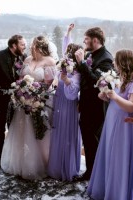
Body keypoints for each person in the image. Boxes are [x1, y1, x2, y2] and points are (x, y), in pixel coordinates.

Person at [87, 49, 133, 200]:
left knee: (119, 158)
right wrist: (105, 94)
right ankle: (106, 188)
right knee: (108, 154)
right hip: (112, 120)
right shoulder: (118, 78)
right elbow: (112, 98)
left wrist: (114, 96)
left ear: (124, 62)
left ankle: (118, 193)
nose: (113, 63)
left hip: (124, 125)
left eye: (116, 61)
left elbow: (132, 106)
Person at [0, 35, 56, 180]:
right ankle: (21, 163)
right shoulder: (27, 59)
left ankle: (41, 163)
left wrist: (35, 95)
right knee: (22, 132)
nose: (30, 47)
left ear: (38, 47)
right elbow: (20, 79)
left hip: (40, 101)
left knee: (39, 132)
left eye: (32, 45)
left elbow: (48, 84)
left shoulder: (49, 61)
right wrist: (21, 92)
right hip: (23, 102)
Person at [74, 27, 114, 181]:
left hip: (96, 108)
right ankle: (90, 172)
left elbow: (97, 83)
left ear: (95, 40)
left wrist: (82, 63)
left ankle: (97, 176)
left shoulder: (106, 59)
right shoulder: (90, 54)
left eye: (86, 39)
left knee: (94, 143)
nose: (84, 41)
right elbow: (84, 79)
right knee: (88, 141)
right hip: (86, 105)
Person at [0, 34, 27, 168]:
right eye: (22, 44)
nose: (24, 46)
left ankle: (14, 155)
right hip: (0, 99)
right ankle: (0, 156)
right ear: (14, 45)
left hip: (18, 100)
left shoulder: (24, 57)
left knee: (15, 128)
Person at [47, 43, 82, 181]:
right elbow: (56, 79)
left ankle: (67, 168)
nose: (65, 54)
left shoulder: (77, 73)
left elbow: (73, 93)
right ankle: (56, 166)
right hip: (58, 102)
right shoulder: (63, 68)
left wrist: (66, 80)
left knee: (67, 135)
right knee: (57, 134)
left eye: (68, 52)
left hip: (69, 107)